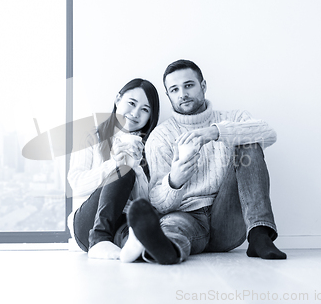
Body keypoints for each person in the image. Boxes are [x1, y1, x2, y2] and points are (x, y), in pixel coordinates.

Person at [122, 59, 286, 264]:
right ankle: (166, 249)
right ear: (168, 95)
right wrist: (175, 181)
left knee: (249, 143)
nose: (182, 94)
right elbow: (157, 201)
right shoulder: (161, 136)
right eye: (174, 89)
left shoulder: (232, 117)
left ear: (203, 86)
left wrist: (215, 132)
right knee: (171, 226)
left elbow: (268, 134)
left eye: (188, 85)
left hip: (229, 216)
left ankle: (260, 235)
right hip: (187, 216)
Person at [67, 78, 160, 260]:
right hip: (88, 225)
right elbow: (77, 184)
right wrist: (114, 164)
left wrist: (138, 168)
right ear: (118, 100)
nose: (135, 113)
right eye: (131, 103)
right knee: (123, 170)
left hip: (123, 223)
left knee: (139, 243)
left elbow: (147, 203)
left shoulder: (150, 146)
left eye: (145, 110)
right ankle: (99, 240)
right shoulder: (91, 137)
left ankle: (140, 246)